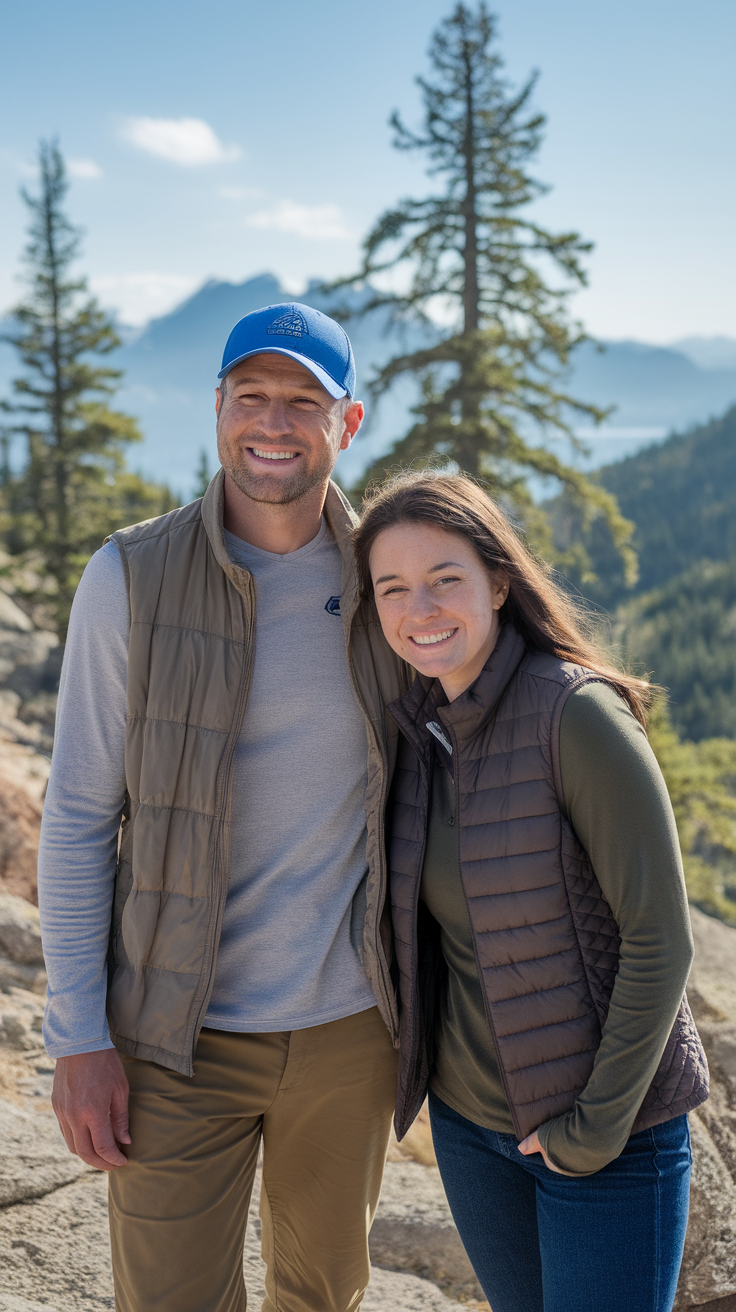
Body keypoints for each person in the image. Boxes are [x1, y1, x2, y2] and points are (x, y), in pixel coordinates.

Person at [37, 303, 411, 1312]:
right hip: (169, 1036)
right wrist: (78, 1038)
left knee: (319, 1296)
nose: (273, 422)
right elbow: (76, 816)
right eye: (251, 397)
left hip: (346, 1033)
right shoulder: (130, 576)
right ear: (216, 408)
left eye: (302, 401)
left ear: (351, 420)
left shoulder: (391, 579)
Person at [352, 470, 709, 1312]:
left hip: (606, 1141)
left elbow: (663, 939)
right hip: (474, 1133)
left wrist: (594, 1131)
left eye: (446, 580)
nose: (421, 609)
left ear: (499, 582)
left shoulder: (574, 714)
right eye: (392, 588)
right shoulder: (421, 730)